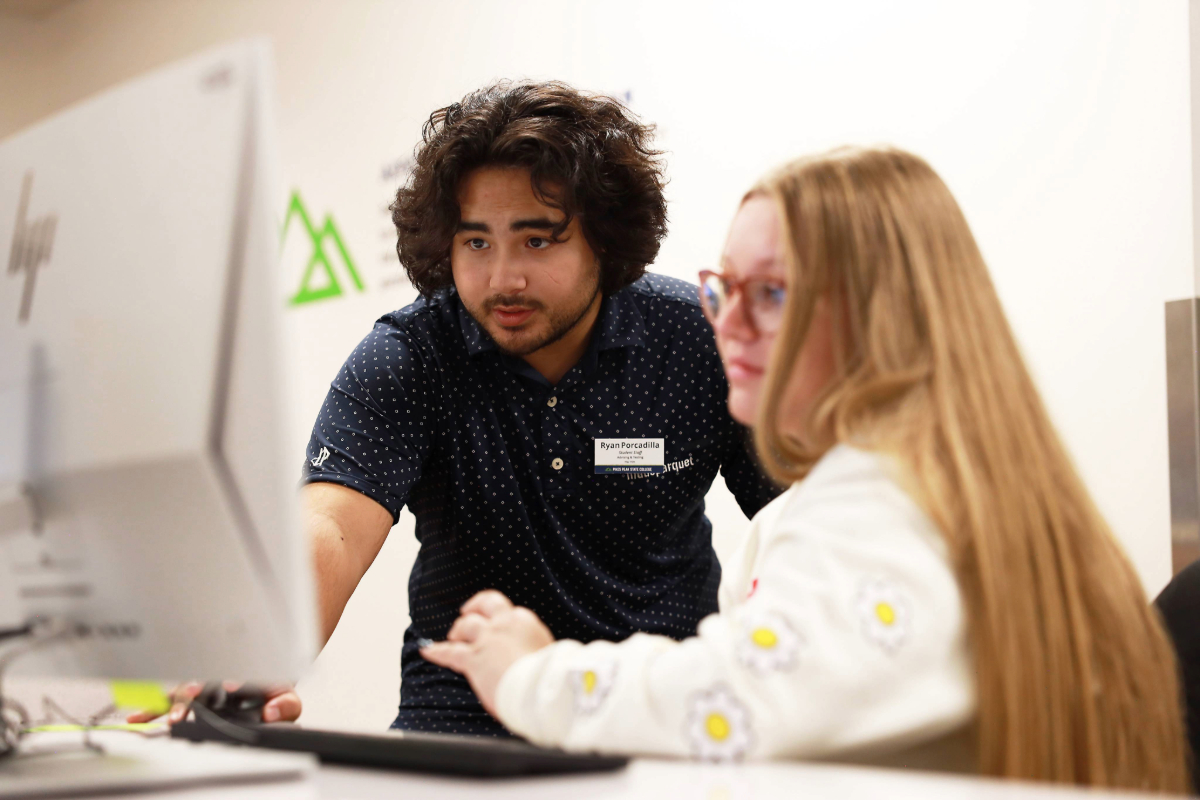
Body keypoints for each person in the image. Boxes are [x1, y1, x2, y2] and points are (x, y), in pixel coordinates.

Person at [422, 147, 1190, 791]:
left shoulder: (881, 493)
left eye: (777, 294)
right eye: (725, 290)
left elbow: (735, 701)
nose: (731, 326)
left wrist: (532, 674)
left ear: (891, 309)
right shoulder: (988, 484)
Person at [133, 81, 781, 735]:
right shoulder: (411, 355)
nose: (503, 278)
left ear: (605, 241)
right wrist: (256, 662)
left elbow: (799, 519)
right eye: (476, 243)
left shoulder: (700, 340)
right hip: (460, 723)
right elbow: (331, 524)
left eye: (537, 241)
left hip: (653, 716)